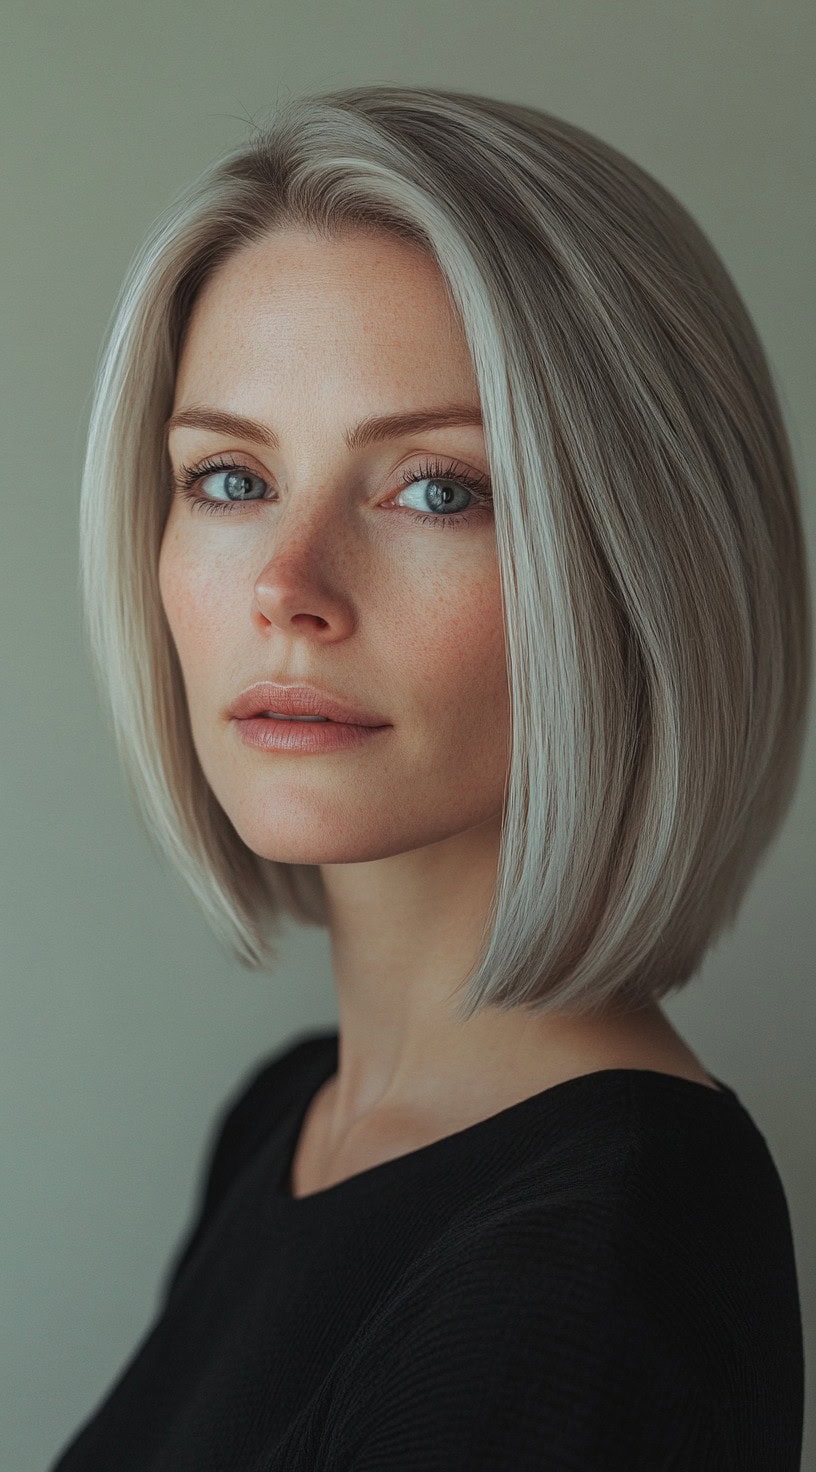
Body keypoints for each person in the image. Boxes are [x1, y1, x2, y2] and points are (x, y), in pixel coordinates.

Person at [49, 84, 808, 1469]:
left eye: (437, 489)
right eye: (227, 478)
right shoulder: (293, 1118)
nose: (288, 586)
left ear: (643, 572)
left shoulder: (593, 1279)